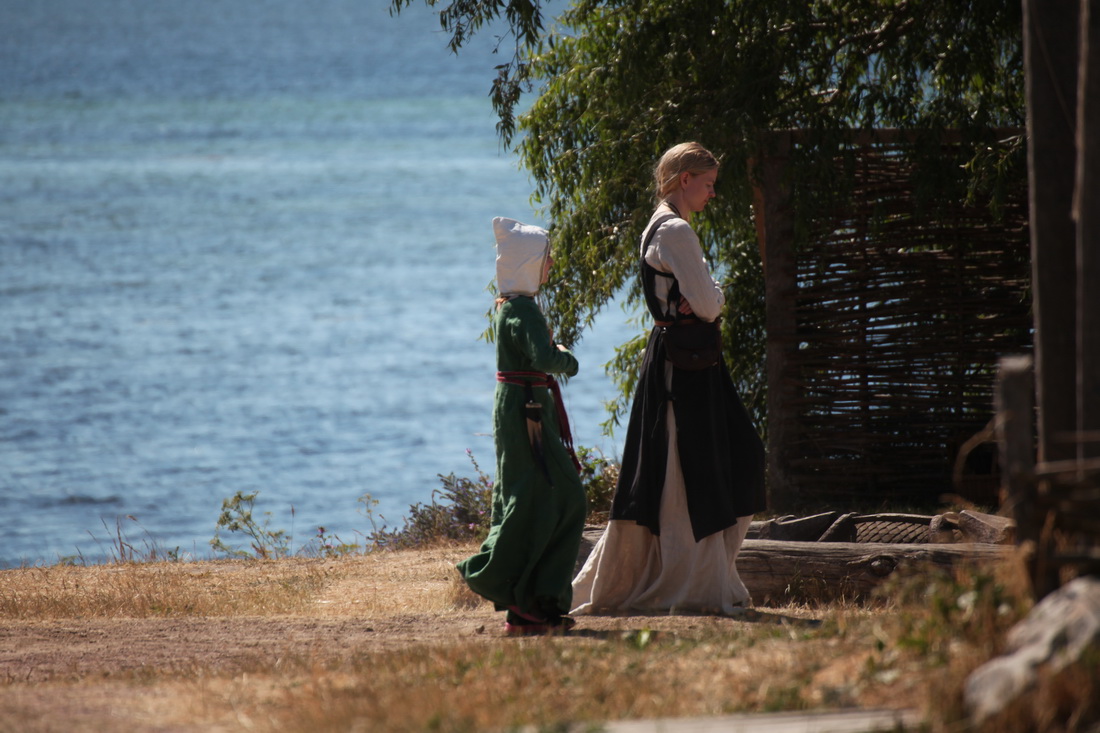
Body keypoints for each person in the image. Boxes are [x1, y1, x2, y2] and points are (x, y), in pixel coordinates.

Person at [571, 142, 767, 616]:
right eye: (708, 184)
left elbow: (696, 299)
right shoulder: (676, 230)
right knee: (701, 464)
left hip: (678, 357)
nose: (712, 194)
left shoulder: (658, 225)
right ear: (685, 180)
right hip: (687, 363)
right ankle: (693, 580)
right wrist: (713, 294)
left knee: (690, 464)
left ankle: (702, 574)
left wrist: (701, 296)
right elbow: (709, 305)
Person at [457, 217, 587, 635]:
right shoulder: (524, 309)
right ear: (530, 263)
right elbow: (545, 359)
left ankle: (527, 607)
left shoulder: (509, 305)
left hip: (518, 408)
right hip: (527, 411)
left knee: (530, 496)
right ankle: (527, 596)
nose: (551, 265)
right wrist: (567, 358)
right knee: (564, 495)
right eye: (546, 258)